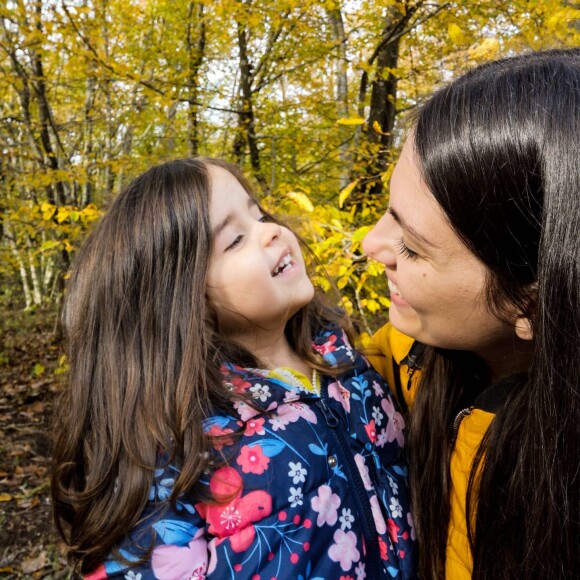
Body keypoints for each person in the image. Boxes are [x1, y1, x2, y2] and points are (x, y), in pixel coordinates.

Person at [51, 157, 417, 579]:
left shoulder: (351, 366)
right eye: (236, 240)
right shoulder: (180, 443)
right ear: (183, 300)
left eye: (259, 214)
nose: (272, 230)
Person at [362, 48, 580, 580]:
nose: (371, 245)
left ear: (529, 299)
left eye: (412, 247)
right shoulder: (413, 354)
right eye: (388, 214)